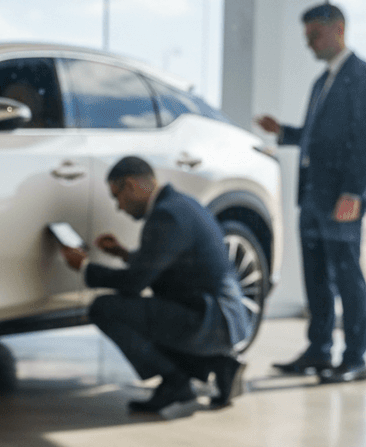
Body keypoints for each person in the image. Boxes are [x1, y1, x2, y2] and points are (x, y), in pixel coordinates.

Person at [60, 156, 251, 415]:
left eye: (117, 197)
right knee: (153, 311)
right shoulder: (183, 204)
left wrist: (84, 267)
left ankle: (176, 381)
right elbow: (169, 261)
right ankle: (216, 362)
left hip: (208, 320)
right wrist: (123, 254)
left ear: (131, 186)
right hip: (221, 317)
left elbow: (133, 284)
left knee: (104, 309)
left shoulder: (166, 215)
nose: (119, 207)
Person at [256, 3, 366, 383]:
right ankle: (319, 350)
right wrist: (283, 133)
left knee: (347, 277)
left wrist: (353, 193)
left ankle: (355, 358)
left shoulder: (365, 76)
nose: (309, 43)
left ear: (338, 29)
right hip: (313, 196)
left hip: (341, 198)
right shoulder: (321, 82)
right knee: (316, 278)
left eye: (314, 34)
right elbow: (316, 138)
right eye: (307, 36)